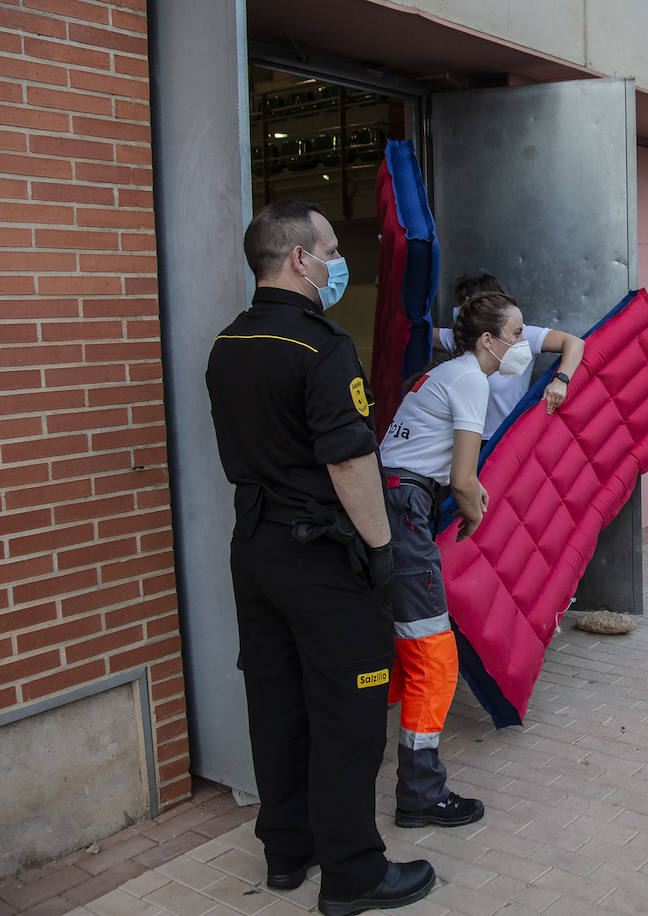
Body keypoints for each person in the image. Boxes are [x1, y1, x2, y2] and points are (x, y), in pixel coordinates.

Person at [206, 201, 435, 915]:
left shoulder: (229, 342)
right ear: (300, 259)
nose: (340, 262)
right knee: (347, 716)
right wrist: (381, 551)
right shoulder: (320, 346)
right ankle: (353, 874)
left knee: (276, 706)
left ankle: (286, 850)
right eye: (332, 250)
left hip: (255, 551)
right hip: (322, 559)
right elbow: (348, 462)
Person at [377, 291, 528, 828]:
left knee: (398, 653)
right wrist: (474, 509)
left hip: (394, 505)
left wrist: (465, 496)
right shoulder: (469, 380)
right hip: (405, 512)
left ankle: (359, 763)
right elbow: (464, 478)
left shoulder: (447, 372)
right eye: (514, 335)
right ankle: (420, 795)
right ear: (487, 340)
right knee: (434, 659)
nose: (521, 344)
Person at [434, 273, 585, 439]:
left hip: (507, 437)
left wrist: (561, 380)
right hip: (467, 434)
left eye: (472, 306)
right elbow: (417, 332)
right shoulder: (460, 338)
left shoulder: (524, 336)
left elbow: (575, 343)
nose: (464, 314)